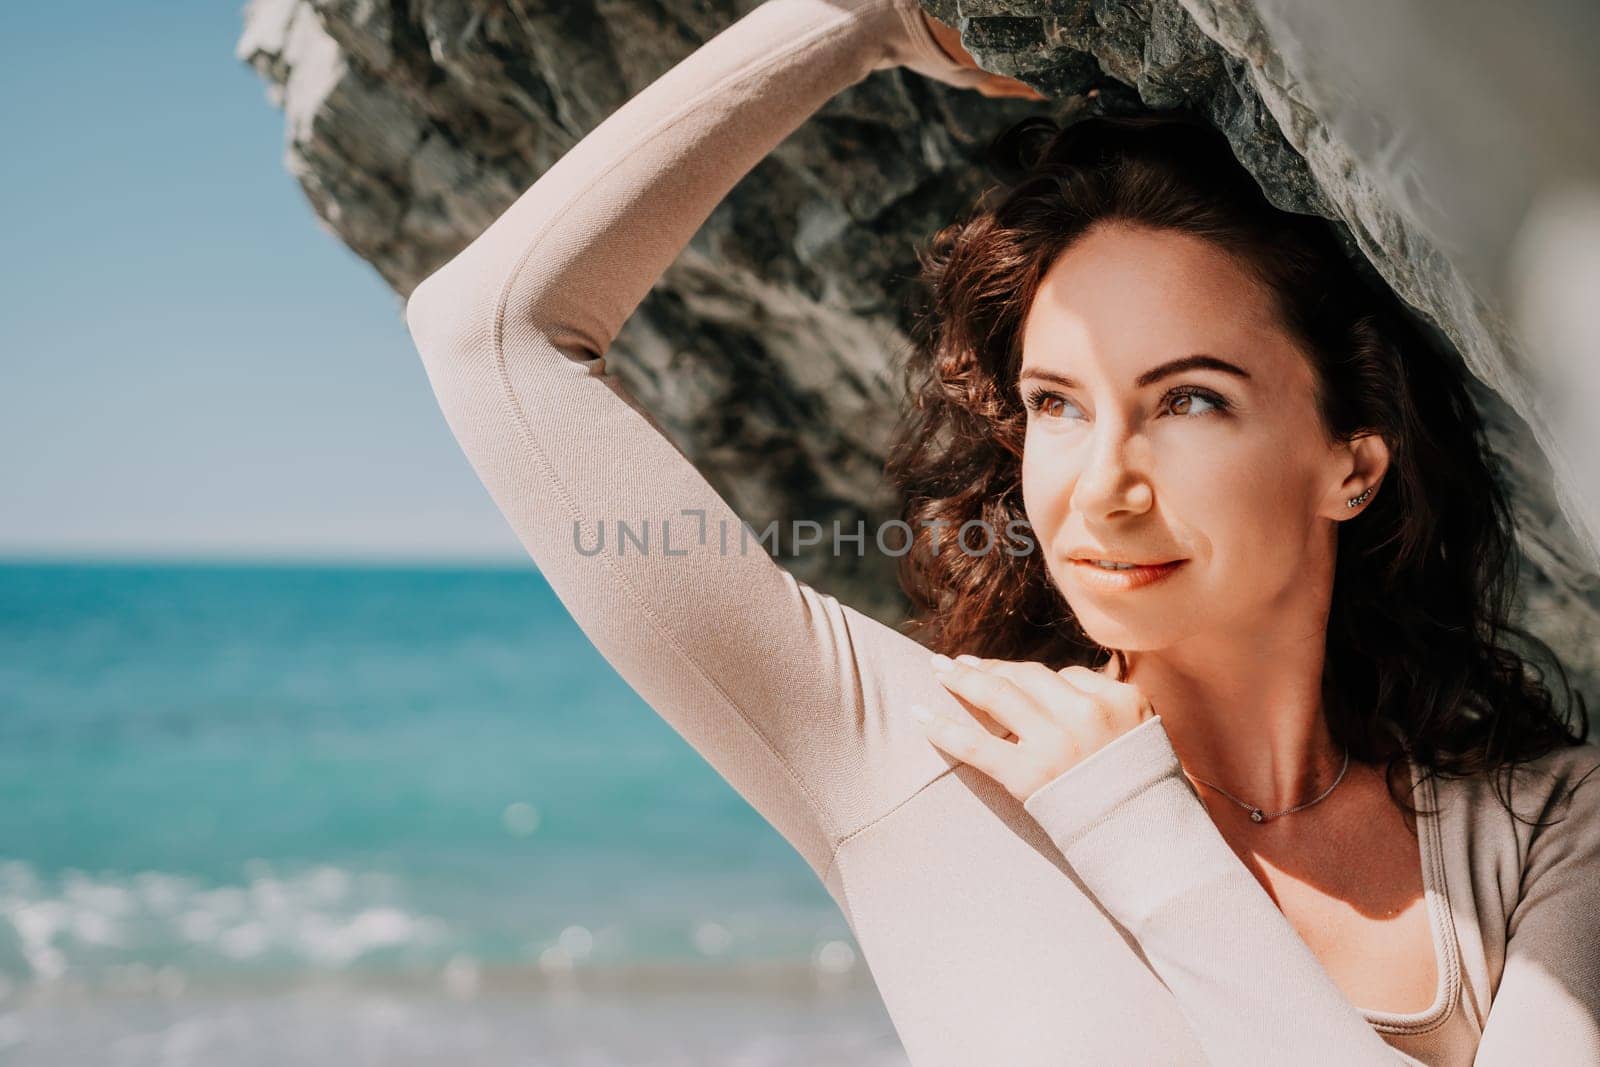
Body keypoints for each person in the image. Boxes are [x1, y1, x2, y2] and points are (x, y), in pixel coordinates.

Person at [401, 0, 1600, 1063]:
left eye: (1189, 400)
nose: (1103, 486)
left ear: (1351, 461)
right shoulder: (910, 757)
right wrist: (857, 24)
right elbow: (488, 335)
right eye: (1056, 405)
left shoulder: (1553, 824)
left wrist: (1140, 829)